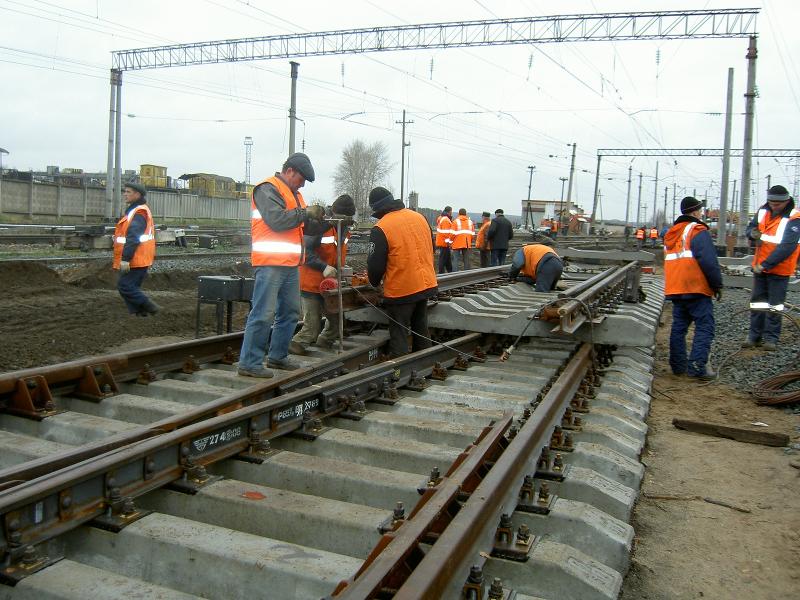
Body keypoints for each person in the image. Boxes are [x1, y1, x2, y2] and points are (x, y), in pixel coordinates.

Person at [237, 152, 325, 378]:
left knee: (290, 312)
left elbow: (304, 228)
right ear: (289, 171)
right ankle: (250, 362)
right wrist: (306, 213)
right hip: (270, 264)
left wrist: (327, 222)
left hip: (290, 264)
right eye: (301, 178)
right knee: (264, 313)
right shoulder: (267, 188)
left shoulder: (295, 195)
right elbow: (277, 221)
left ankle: (277, 356)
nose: (303, 183)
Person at [367, 187, 438, 357]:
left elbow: (375, 266)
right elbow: (432, 248)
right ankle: (424, 363)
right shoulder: (419, 217)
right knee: (420, 327)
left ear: (378, 210)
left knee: (399, 332)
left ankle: (400, 369)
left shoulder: (382, 227)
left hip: (402, 290)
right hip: (425, 283)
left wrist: (374, 283)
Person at [663, 196, 723, 380]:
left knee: (679, 327)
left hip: (676, 287)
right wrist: (717, 284)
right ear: (696, 212)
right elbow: (708, 261)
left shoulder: (672, 233)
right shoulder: (696, 230)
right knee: (705, 327)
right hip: (695, 287)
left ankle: (678, 366)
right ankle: (697, 367)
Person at [289, 194, 355, 355]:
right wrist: (323, 266)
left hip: (330, 283)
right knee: (312, 325)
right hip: (311, 281)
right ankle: (294, 347)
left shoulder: (343, 228)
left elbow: (336, 250)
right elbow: (304, 252)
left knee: (336, 322)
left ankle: (323, 343)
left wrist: (338, 267)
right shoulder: (319, 225)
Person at [743, 185, 800, 351]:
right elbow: (751, 228)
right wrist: (751, 234)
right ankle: (754, 336)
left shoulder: (794, 218)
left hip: (779, 269)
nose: (774, 206)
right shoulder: (763, 211)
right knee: (757, 303)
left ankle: (771, 338)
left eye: (777, 204)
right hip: (760, 267)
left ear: (786, 201)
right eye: (771, 202)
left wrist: (765, 265)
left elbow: (787, 247)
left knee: (775, 305)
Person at [113, 182, 159, 316]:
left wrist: (125, 259)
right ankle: (139, 314)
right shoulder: (137, 210)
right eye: (125, 191)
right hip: (140, 257)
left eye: (128, 192)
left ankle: (150, 306)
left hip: (136, 258)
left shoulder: (139, 212)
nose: (125, 194)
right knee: (131, 287)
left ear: (137, 194)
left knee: (124, 286)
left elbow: (133, 236)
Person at [435, 206, 454, 274]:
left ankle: (450, 271)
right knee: (442, 259)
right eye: (451, 211)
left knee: (447, 259)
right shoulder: (446, 220)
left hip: (443, 242)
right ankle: (441, 273)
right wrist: (449, 243)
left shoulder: (443, 218)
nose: (452, 213)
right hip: (444, 243)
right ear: (449, 211)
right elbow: (446, 233)